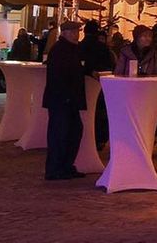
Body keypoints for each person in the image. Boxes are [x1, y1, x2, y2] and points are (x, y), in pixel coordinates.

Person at [42, 20, 86, 180]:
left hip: (70, 99)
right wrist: (66, 96)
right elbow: (58, 76)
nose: (77, 34)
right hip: (61, 99)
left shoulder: (74, 49)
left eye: (78, 31)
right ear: (64, 33)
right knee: (59, 133)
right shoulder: (59, 50)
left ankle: (66, 165)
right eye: (73, 32)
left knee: (73, 132)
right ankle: (55, 168)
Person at [80, 20, 115, 150]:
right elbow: (110, 64)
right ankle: (100, 138)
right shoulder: (102, 48)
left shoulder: (80, 46)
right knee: (100, 111)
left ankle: (85, 137)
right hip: (101, 82)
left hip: (83, 84)